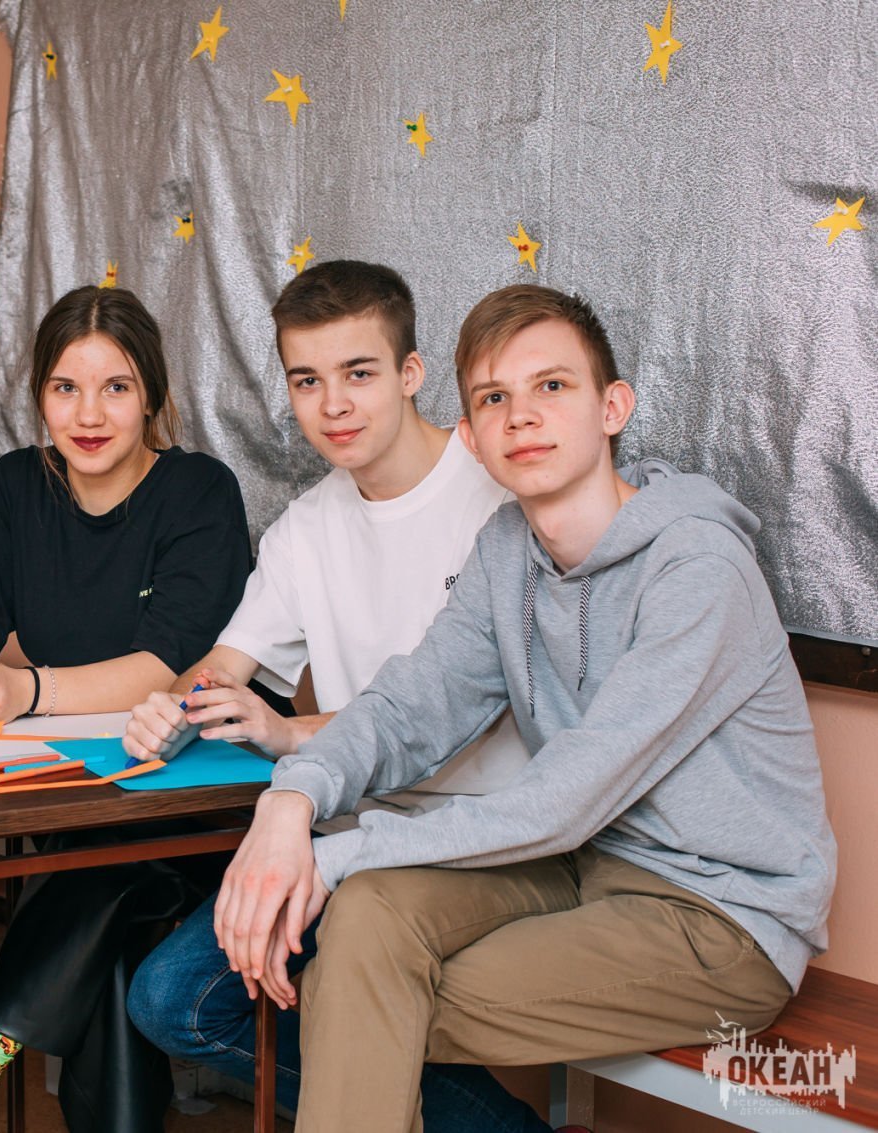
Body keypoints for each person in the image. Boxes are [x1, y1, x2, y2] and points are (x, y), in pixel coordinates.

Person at [216, 284, 836, 1133]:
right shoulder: (508, 550)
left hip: (719, 917)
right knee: (367, 921)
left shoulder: (699, 571)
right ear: (471, 437)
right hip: (581, 867)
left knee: (358, 987)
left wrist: (329, 858)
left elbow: (564, 798)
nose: (523, 417)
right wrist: (292, 798)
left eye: (552, 386)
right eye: (493, 398)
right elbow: (410, 704)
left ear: (612, 407)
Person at [122, 260, 546, 1130]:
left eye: (358, 373)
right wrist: (177, 702)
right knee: (172, 1000)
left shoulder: (497, 493)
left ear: (411, 372)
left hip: (478, 838)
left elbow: (469, 710)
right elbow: (225, 664)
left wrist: (287, 732)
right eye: (307, 381)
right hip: (347, 831)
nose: (334, 405)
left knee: (330, 995)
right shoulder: (306, 529)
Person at [0, 286, 254, 1133]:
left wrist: (26, 690)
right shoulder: (15, 486)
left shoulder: (200, 492)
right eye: (65, 388)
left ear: (153, 395)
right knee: (109, 932)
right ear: (38, 394)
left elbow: (162, 666)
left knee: (104, 864)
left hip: (200, 798)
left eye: (116, 387)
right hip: (83, 796)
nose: (88, 414)